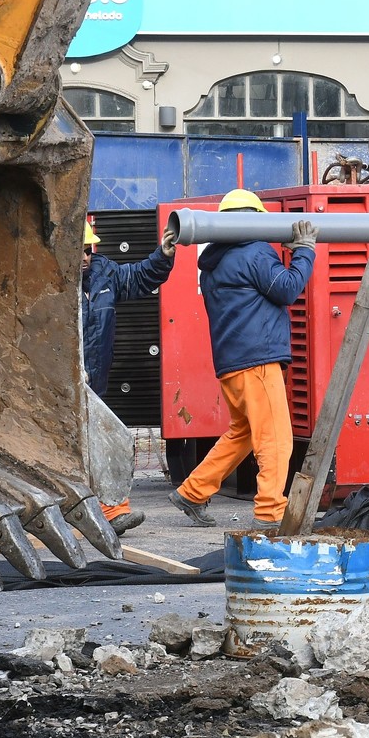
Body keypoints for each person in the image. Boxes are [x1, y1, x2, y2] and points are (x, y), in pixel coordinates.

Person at [168, 188, 317, 530]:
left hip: (232, 363)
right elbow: (288, 289)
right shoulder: (255, 252)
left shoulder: (213, 264)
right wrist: (305, 252)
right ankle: (270, 512)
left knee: (245, 432)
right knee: (276, 439)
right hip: (258, 359)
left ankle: (193, 491)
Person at [82, 219, 178, 535]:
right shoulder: (39, 278)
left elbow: (137, 278)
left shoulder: (102, 273)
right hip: (49, 384)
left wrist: (162, 256)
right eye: (78, 250)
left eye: (87, 249)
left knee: (101, 439)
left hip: (91, 384)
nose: (85, 256)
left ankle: (113, 511)